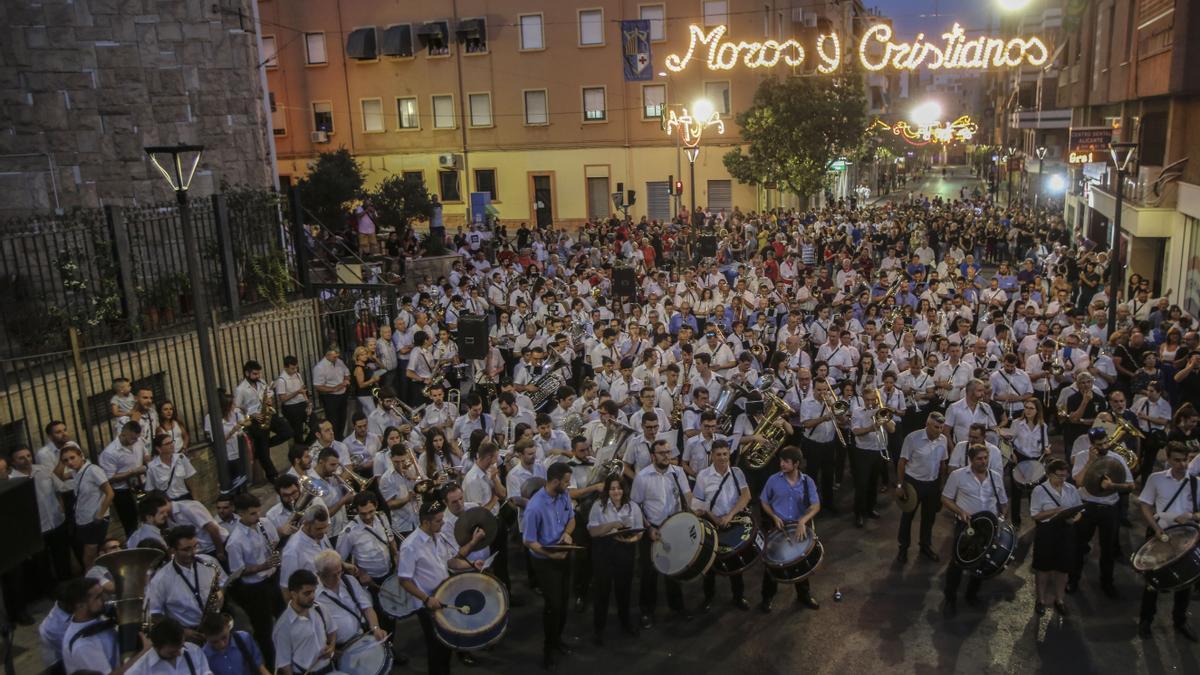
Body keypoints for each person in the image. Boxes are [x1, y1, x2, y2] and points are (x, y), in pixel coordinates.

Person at [1136, 442, 1199, 641]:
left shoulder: (1196, 483)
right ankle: (1146, 620)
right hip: (1160, 535)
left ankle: (1179, 621)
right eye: (1177, 460)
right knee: (1152, 582)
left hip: (1187, 538)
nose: (1182, 464)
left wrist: (1192, 516)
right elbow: (1145, 505)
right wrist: (1155, 529)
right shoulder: (1156, 479)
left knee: (1185, 583)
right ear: (1168, 459)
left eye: (1185, 460)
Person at [940, 443, 1009, 618]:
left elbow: (1003, 502)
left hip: (988, 527)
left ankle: (972, 594)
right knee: (957, 562)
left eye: (986, 458)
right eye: (979, 458)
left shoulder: (995, 477)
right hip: (967, 525)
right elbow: (946, 498)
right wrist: (960, 512)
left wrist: (1003, 516)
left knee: (982, 561)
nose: (983, 461)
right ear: (971, 459)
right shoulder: (958, 476)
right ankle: (950, 599)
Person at [630, 440, 692, 628]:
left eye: (668, 452)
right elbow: (635, 506)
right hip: (653, 530)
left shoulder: (678, 472)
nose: (667, 455)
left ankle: (677, 608)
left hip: (674, 528)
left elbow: (687, 496)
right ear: (652, 456)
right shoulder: (642, 477)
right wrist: (648, 527)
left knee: (674, 570)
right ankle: (647, 611)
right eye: (662, 453)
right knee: (649, 574)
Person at [522, 462, 577, 669]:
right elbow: (529, 541)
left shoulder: (563, 495)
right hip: (545, 560)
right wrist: (550, 555)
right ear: (555, 482)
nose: (569, 485)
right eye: (566, 482)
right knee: (553, 606)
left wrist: (568, 533)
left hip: (562, 552)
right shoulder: (535, 507)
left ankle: (557, 639)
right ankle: (548, 648)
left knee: (563, 603)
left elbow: (571, 518)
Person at [1069, 427, 1135, 596]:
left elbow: (1131, 485)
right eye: (1100, 444)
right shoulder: (1083, 456)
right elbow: (1078, 482)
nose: (1105, 446)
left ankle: (1107, 583)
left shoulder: (1117, 458)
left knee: (1108, 549)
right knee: (1078, 546)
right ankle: (1073, 580)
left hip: (1109, 508)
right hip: (1087, 506)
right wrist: (1090, 461)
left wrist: (1114, 486)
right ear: (1092, 445)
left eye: (1106, 442)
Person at [757, 446, 820, 612]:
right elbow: (764, 501)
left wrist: (802, 521)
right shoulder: (773, 480)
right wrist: (773, 516)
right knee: (772, 563)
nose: (782, 464)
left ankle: (803, 595)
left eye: (786, 461)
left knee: (800, 561)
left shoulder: (808, 482)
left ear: (796, 464)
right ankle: (767, 597)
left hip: (798, 527)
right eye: (781, 461)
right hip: (779, 527)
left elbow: (816, 505)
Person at [691, 441, 751, 611]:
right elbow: (698, 505)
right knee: (709, 564)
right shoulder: (703, 476)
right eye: (719, 454)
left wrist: (730, 515)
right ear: (712, 456)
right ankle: (709, 598)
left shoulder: (737, 472)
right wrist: (715, 519)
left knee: (735, 562)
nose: (723, 458)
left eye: (725, 454)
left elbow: (746, 496)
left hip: (733, 521)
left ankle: (738, 596)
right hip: (712, 523)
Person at [396, 500, 454, 675]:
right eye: (438, 520)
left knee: (447, 644)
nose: (442, 523)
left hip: (444, 596)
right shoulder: (410, 546)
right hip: (427, 604)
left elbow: (449, 562)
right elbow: (404, 580)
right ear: (426, 522)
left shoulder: (440, 536)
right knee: (436, 648)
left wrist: (473, 563)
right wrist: (426, 599)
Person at [224, 493, 281, 664]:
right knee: (264, 629)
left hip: (273, 578)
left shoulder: (264, 523)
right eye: (253, 514)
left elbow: (275, 541)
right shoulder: (235, 541)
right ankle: (270, 664)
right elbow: (238, 571)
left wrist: (273, 555)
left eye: (258, 512)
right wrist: (263, 565)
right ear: (240, 513)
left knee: (283, 615)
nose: (258, 517)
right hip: (255, 588)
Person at [587, 475, 643, 641]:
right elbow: (592, 531)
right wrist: (612, 525)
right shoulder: (598, 506)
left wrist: (631, 539)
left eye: (619, 488)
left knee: (624, 590)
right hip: (603, 552)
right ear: (607, 490)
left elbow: (639, 531)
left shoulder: (633, 507)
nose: (616, 491)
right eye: (612, 488)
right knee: (602, 592)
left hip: (625, 551)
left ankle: (625, 623)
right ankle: (599, 629)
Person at [145, 525, 227, 637]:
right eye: (186, 549)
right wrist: (183, 631)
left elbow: (222, 584)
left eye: (195, 546)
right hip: (190, 633)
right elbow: (154, 614)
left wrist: (220, 596)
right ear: (173, 550)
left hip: (216, 623)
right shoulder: (160, 580)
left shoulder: (209, 562)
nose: (192, 553)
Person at [1030, 458, 1083, 616]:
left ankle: (1059, 599)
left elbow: (1079, 509)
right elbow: (1035, 515)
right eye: (1059, 475)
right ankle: (1041, 600)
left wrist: (1075, 518)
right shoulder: (1039, 491)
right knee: (1043, 568)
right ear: (1049, 474)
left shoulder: (1071, 489)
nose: (1062, 479)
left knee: (1063, 568)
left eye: (1065, 476)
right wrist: (1056, 511)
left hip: (1066, 531)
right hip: (1046, 532)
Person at [895, 412, 949, 562]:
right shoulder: (912, 438)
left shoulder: (943, 440)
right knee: (907, 517)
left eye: (941, 427)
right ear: (927, 425)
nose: (939, 430)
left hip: (932, 485)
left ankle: (925, 545)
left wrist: (941, 485)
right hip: (913, 483)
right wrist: (900, 485)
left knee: (929, 518)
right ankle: (903, 548)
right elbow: (901, 462)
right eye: (936, 427)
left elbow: (942, 464)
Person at [54, 443, 114, 571]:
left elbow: (109, 493)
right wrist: (61, 461)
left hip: (94, 519)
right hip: (84, 519)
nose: (70, 462)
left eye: (72, 457)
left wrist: (100, 514)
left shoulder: (92, 470)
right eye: (66, 460)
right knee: (91, 554)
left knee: (89, 556)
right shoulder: (76, 472)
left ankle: (92, 581)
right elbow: (59, 475)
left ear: (81, 456)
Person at [272, 569, 336, 675]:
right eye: (307, 593)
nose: (312, 596)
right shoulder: (283, 627)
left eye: (313, 591)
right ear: (293, 594)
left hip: (329, 669)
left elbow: (332, 630)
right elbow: (284, 664)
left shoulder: (319, 608)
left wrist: (332, 646)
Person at [123, 616, 212, 674]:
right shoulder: (140, 668)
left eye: (181, 647)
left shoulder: (194, 651)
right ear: (156, 647)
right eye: (172, 652)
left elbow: (206, 672)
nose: (179, 654)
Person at [200, 612, 270, 675]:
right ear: (206, 637)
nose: (222, 644)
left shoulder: (243, 638)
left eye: (224, 637)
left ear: (228, 627)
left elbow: (260, 667)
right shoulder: (203, 656)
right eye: (214, 642)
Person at [144, 433, 197, 501]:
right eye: (167, 444)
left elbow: (190, 480)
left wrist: (195, 498)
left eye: (172, 442)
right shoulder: (152, 467)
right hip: (168, 502)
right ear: (158, 448)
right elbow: (149, 490)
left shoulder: (181, 457)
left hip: (185, 498)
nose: (172, 445)